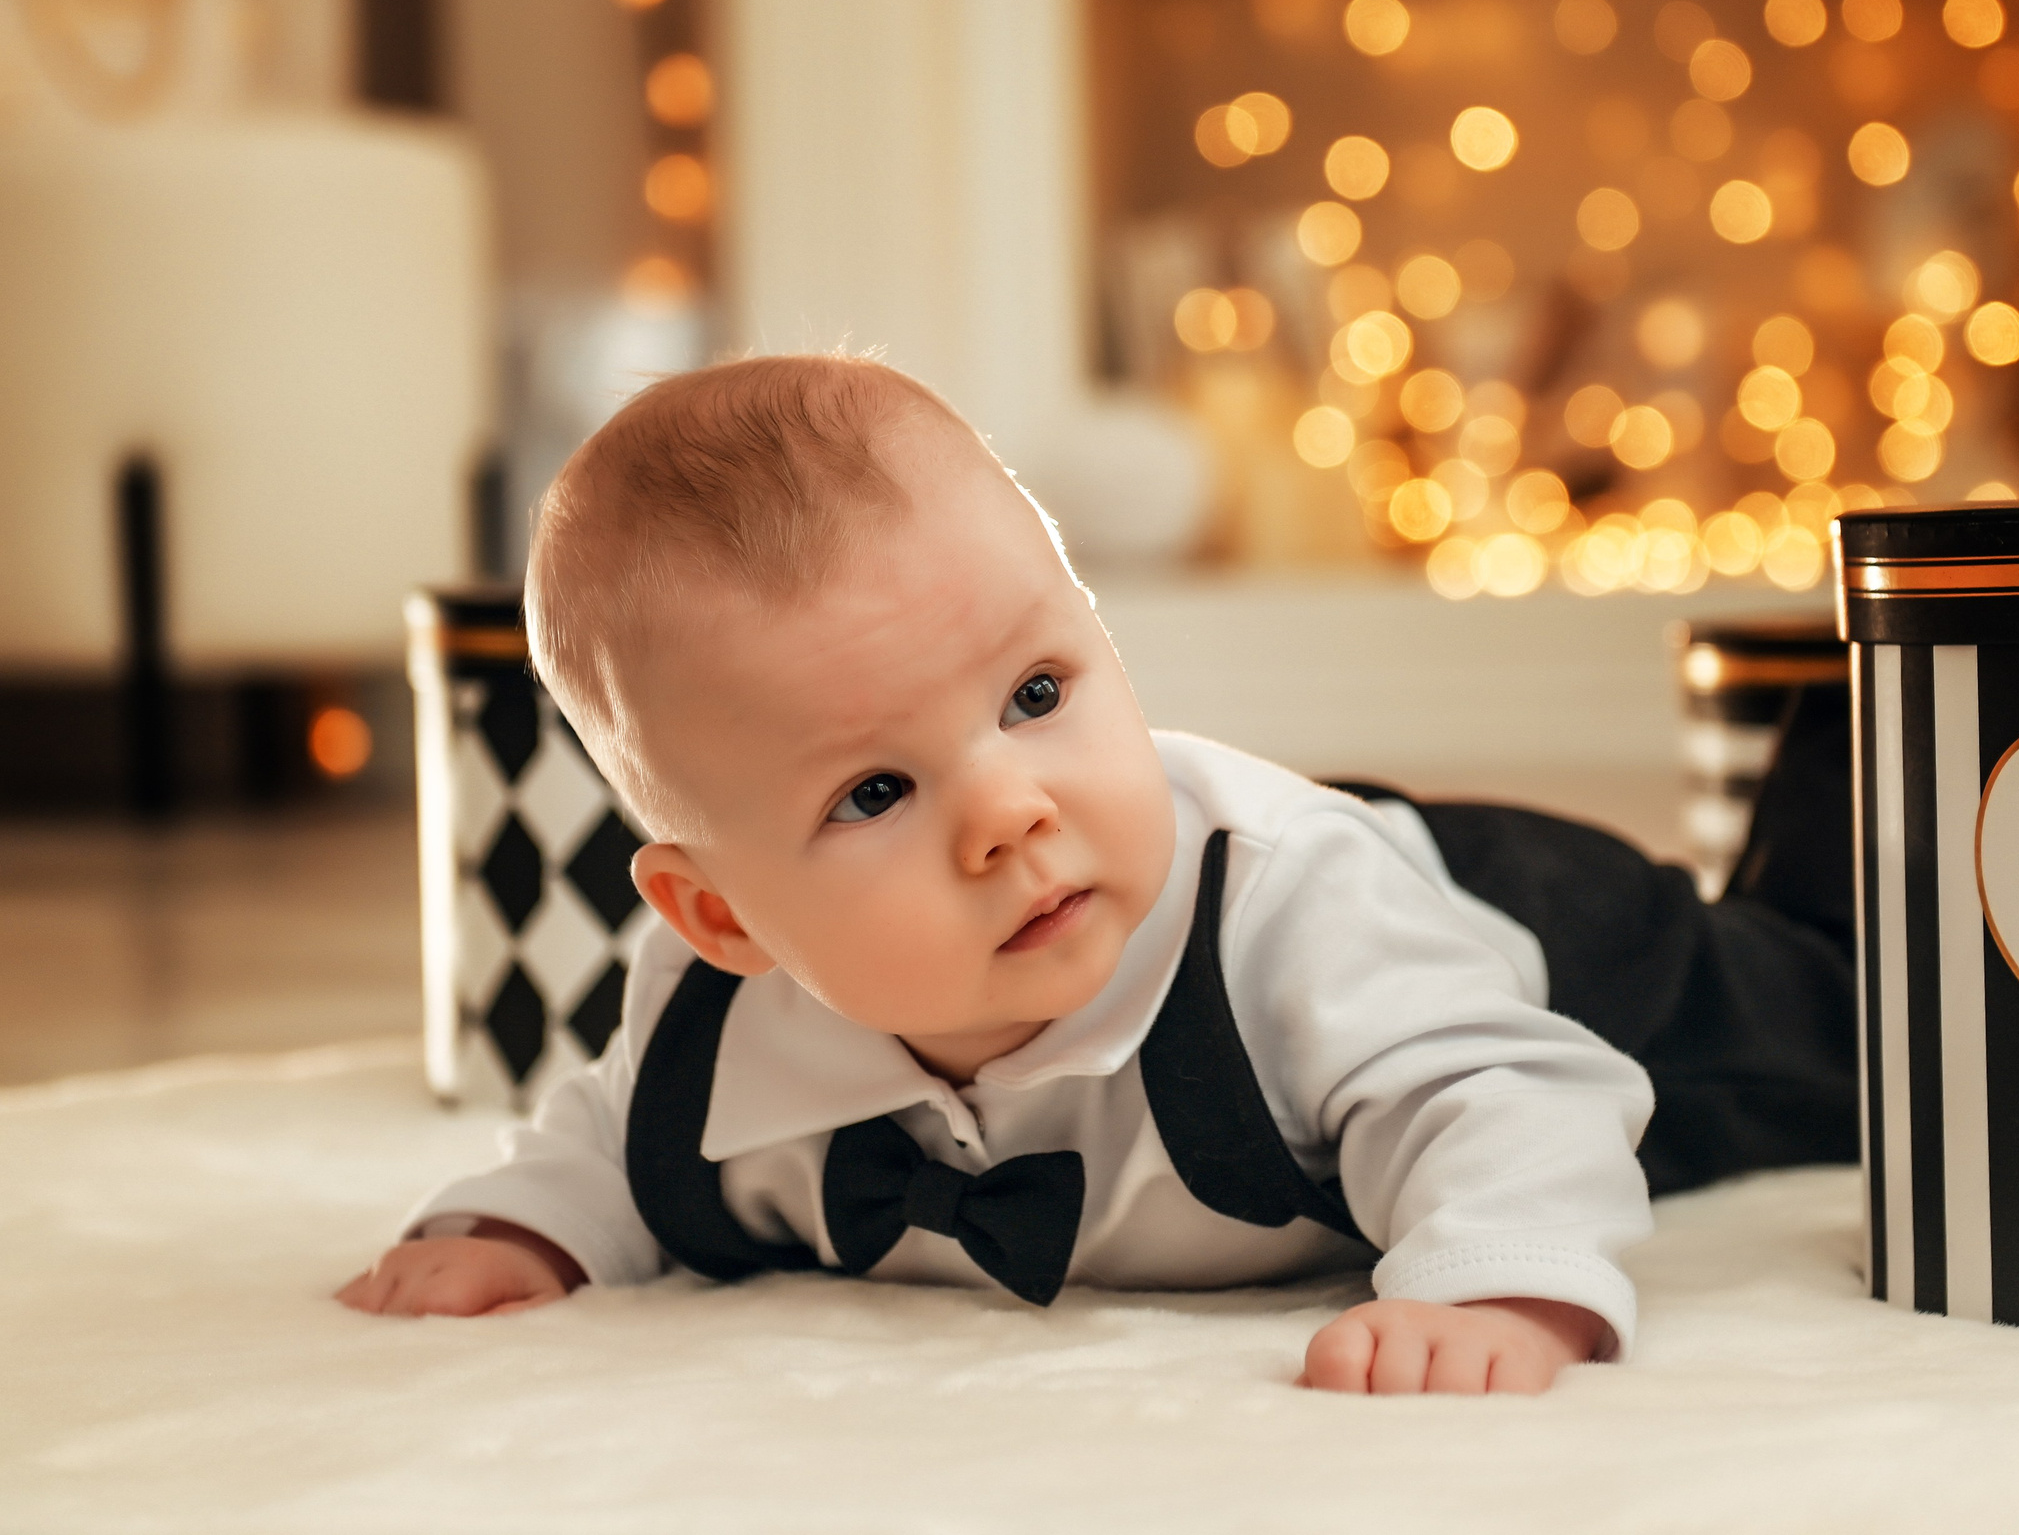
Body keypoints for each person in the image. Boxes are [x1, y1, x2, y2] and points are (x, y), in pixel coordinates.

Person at [337, 355, 1857, 1395]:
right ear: (723, 918)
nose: (1008, 809)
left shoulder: (1299, 922)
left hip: (1514, 926)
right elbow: (613, 1138)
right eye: (875, 789)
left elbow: (1512, 1092)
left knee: (1837, 1017)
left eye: (1039, 693)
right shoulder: (707, 1028)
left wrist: (1496, 1284)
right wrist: (517, 1226)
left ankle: (1853, 740)